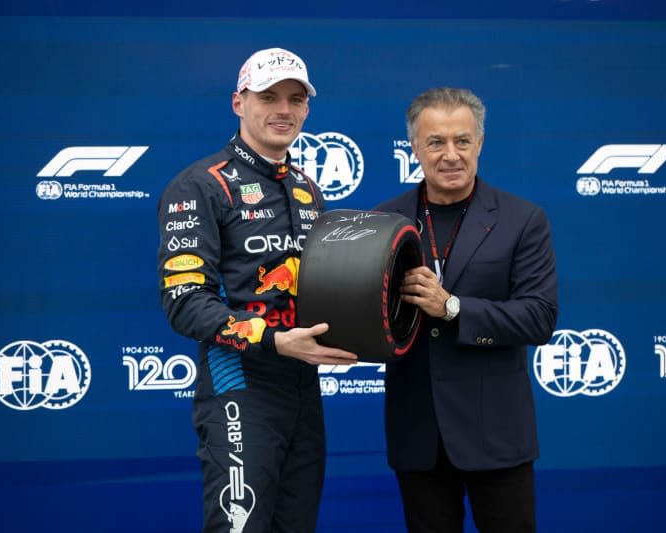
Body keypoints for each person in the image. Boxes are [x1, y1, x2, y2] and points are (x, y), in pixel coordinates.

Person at [157, 47, 358, 533]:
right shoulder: (200, 186)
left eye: (295, 98)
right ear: (238, 103)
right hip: (239, 385)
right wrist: (270, 340)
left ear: (308, 109)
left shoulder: (309, 188)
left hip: (303, 386)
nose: (283, 109)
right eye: (268, 96)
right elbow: (185, 303)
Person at [373, 87, 558, 532]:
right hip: (418, 435)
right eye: (435, 142)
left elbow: (539, 317)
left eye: (462, 140)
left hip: (496, 433)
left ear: (480, 143)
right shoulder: (381, 222)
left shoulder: (522, 219)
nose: (450, 154)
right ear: (414, 147)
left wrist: (451, 307)